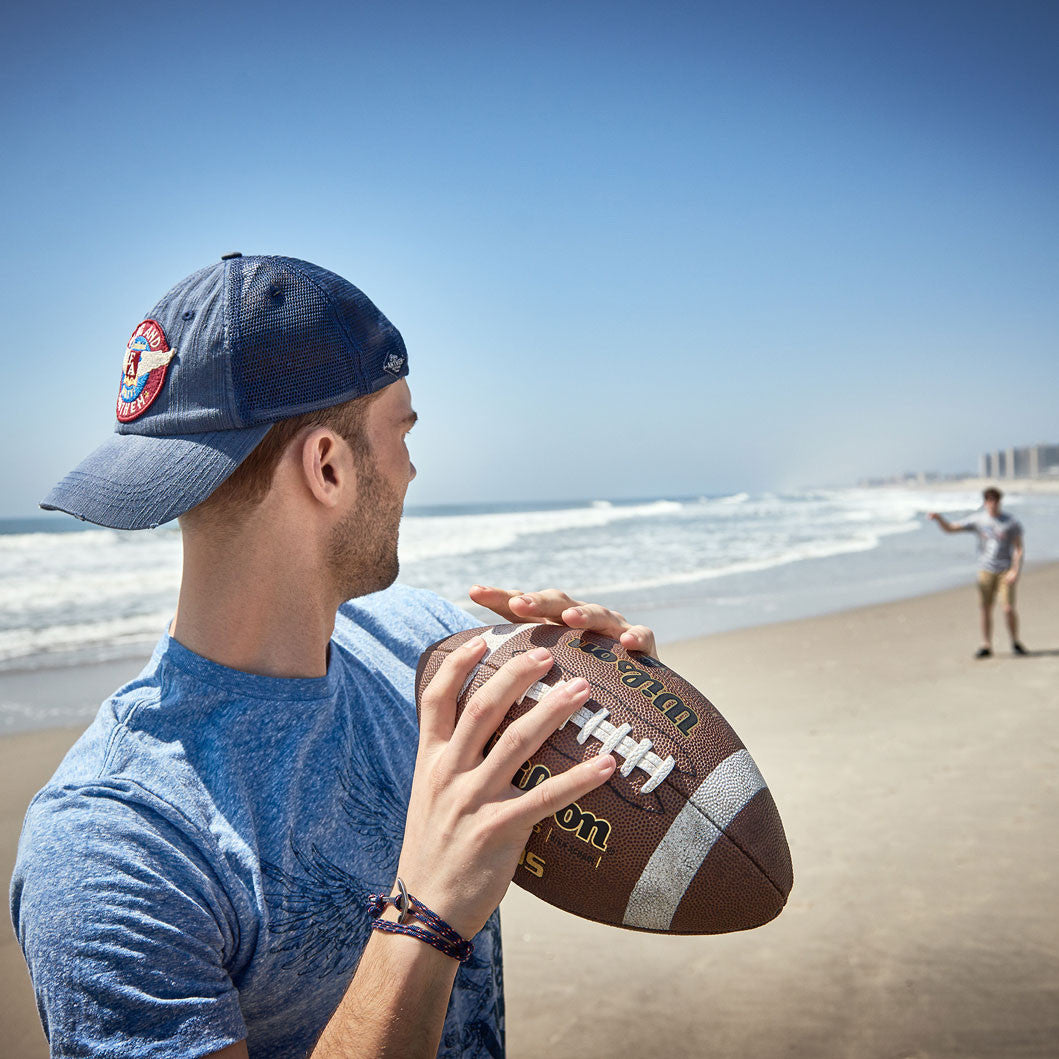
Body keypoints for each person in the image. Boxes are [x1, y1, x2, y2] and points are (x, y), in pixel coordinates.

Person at [10, 254, 660, 1058]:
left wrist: (625, 712)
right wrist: (424, 915)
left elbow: (583, 824)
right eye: (400, 432)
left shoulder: (429, 650)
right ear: (329, 466)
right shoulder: (114, 843)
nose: (413, 467)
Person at [928, 487, 1026, 658]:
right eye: (989, 500)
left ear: (999, 502)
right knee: (985, 608)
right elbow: (951, 529)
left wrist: (1015, 571)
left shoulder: (1011, 522)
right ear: (985, 502)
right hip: (986, 570)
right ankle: (986, 645)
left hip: (1005, 570)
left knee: (1008, 608)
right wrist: (939, 519)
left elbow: (1018, 548)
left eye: (995, 500)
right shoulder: (978, 520)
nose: (992, 504)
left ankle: (1015, 642)